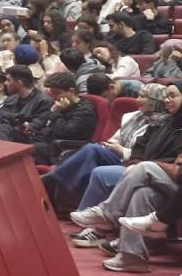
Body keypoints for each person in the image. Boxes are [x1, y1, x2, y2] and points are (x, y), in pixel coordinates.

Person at [43, 83, 172, 210]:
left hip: (134, 163)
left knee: (92, 150)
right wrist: (110, 146)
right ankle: (60, 188)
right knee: (92, 150)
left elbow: (149, 153)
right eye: (138, 95)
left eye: (142, 97)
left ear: (155, 101)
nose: (137, 100)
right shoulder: (132, 117)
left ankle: (53, 181)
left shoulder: (163, 124)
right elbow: (116, 138)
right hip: (117, 156)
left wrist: (122, 151)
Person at [29, 72, 98, 165]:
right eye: (51, 94)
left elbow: (65, 132)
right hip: (49, 144)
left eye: (57, 93)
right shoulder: (62, 106)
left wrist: (55, 113)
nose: (54, 98)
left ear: (71, 91)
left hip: (67, 149)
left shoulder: (85, 110)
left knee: (28, 153)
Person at [0, 66, 51, 142]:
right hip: (10, 135)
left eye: (8, 80)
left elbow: (37, 124)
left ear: (18, 83)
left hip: (31, 139)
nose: (5, 83)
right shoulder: (11, 99)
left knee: (4, 129)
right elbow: (0, 118)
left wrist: (28, 127)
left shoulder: (43, 101)